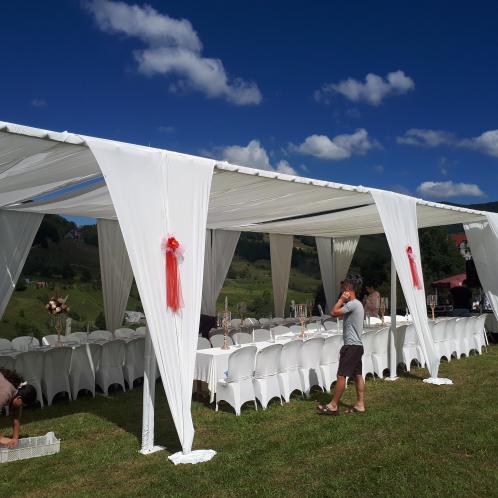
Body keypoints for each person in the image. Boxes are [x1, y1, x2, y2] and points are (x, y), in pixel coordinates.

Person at [317, 278, 365, 415]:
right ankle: (360, 404)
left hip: (351, 346)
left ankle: (333, 405)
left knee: (341, 375)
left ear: (348, 289)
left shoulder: (352, 304)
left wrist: (341, 300)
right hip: (357, 346)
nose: (341, 291)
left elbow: (333, 312)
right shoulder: (357, 304)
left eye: (343, 289)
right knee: (357, 375)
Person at [0, 368, 37, 448]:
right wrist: (1, 439)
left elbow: (16, 418)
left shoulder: (16, 390)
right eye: (22, 405)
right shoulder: (5, 393)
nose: (21, 407)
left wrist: (15, 438)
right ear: (19, 398)